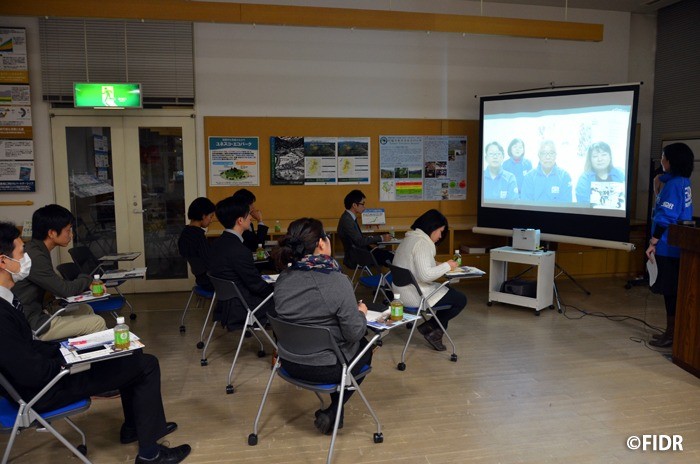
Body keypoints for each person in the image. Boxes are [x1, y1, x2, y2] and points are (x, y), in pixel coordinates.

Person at [0, 222, 191, 464]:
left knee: (131, 356)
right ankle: (150, 455)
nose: (27, 258)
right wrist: (70, 363)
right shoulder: (1, 312)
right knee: (147, 365)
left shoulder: (7, 300)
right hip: (46, 389)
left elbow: (28, 348)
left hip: (47, 375)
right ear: (3, 262)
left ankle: (137, 428)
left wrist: (65, 350)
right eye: (21, 252)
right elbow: (29, 371)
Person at [271, 217, 372, 435]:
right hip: (324, 369)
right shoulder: (335, 281)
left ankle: (335, 414)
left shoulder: (283, 279)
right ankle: (335, 410)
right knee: (367, 345)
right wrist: (360, 313)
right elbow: (354, 332)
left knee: (340, 347)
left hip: (289, 361)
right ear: (321, 243)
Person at [12, 204, 106, 341]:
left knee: (85, 309)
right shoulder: (35, 256)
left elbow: (56, 285)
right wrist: (88, 280)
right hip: (31, 323)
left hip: (38, 312)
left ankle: (85, 356)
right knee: (97, 322)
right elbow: (64, 290)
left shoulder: (37, 249)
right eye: (68, 230)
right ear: (52, 233)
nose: (71, 235)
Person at [391, 209, 467, 351]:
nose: (440, 236)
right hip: (415, 295)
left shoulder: (410, 238)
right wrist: (447, 266)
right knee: (460, 299)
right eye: (440, 231)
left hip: (400, 292)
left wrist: (439, 264)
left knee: (450, 292)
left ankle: (432, 326)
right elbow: (425, 275)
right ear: (432, 228)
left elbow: (416, 264)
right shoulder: (422, 243)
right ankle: (433, 329)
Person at [645, 142, 694, 348]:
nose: (661, 161)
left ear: (671, 161)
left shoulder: (673, 185)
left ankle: (671, 333)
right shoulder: (682, 180)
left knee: (670, 292)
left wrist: (653, 242)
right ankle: (670, 331)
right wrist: (658, 179)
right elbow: (663, 178)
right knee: (671, 291)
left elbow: (666, 217)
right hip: (676, 244)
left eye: (664, 157)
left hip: (667, 244)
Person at [208, 196, 274, 330]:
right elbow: (256, 285)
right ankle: (283, 348)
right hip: (242, 308)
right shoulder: (239, 250)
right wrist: (278, 291)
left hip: (225, 305)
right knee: (289, 303)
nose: (251, 218)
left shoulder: (217, 243)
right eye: (248, 215)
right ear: (240, 220)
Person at [336, 190, 393, 270]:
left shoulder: (348, 217)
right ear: (354, 205)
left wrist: (370, 244)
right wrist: (381, 238)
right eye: (362, 204)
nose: (364, 207)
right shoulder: (347, 220)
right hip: (357, 257)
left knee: (388, 255)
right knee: (391, 257)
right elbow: (360, 241)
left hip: (360, 252)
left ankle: (388, 279)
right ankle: (392, 280)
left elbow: (357, 239)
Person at [177, 197, 216, 292]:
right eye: (210, 216)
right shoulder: (198, 236)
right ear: (203, 216)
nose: (211, 220)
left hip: (200, 279)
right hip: (211, 282)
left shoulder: (185, 233)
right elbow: (210, 262)